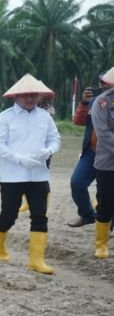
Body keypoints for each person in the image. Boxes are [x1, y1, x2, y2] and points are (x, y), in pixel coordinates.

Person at [0, 74, 61, 273]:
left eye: (33, 95)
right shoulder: (5, 117)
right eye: (25, 95)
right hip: (13, 176)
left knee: (40, 216)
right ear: (16, 97)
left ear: (39, 97)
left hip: (39, 175)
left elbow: (55, 140)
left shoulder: (45, 117)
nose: (29, 99)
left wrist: (48, 151)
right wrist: (20, 159)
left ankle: (36, 260)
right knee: (9, 215)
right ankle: (0, 246)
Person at [67, 84, 101, 227]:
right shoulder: (94, 101)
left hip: (110, 155)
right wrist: (84, 102)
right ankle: (87, 215)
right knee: (77, 183)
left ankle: (108, 223)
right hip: (91, 152)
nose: (103, 85)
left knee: (106, 190)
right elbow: (79, 121)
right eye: (102, 82)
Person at [90, 66, 114, 258]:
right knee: (106, 201)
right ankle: (101, 244)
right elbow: (103, 134)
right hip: (108, 162)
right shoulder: (102, 102)